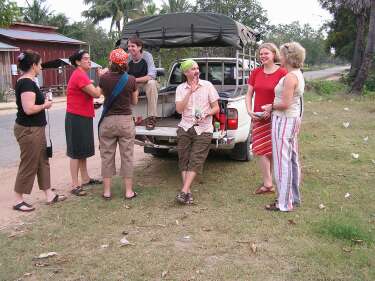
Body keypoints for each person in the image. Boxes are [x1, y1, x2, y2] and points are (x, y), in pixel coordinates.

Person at [13, 50, 66, 212]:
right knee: (29, 162)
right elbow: (28, 109)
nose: (41, 66)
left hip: (36, 128)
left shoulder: (30, 81)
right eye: (40, 63)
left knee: (42, 160)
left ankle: (48, 193)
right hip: (29, 130)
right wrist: (45, 105)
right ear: (33, 65)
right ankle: (17, 199)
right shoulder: (26, 83)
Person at [261, 42, 306, 212]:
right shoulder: (296, 74)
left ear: (287, 57)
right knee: (292, 159)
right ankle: (293, 198)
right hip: (291, 120)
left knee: (282, 162)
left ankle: (284, 203)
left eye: (281, 54)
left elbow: (285, 103)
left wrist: (270, 106)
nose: (280, 56)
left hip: (284, 120)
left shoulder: (290, 77)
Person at [175, 59, 220, 205]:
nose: (196, 71)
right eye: (192, 69)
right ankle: (187, 193)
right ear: (185, 72)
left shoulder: (207, 86)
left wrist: (207, 114)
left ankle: (184, 191)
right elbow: (179, 110)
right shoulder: (180, 88)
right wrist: (190, 92)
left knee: (196, 159)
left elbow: (216, 108)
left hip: (204, 128)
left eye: (196, 68)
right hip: (185, 126)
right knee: (183, 159)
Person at [245, 43, 287, 195]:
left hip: (276, 116)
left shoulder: (282, 73)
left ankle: (268, 183)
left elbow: (286, 97)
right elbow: (249, 94)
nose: (262, 56)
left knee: (271, 150)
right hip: (258, 117)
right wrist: (249, 110)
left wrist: (272, 107)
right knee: (260, 150)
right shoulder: (256, 72)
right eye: (261, 54)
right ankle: (268, 182)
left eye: (266, 53)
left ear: (274, 54)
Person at [98, 48, 139, 200]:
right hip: (125, 121)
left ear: (111, 62)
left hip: (108, 121)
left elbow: (100, 95)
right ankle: (128, 192)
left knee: (107, 156)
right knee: (127, 156)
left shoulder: (104, 78)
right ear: (125, 62)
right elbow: (134, 102)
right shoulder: (131, 79)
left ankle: (107, 192)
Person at [65, 49, 104, 196]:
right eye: (86, 58)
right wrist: (102, 79)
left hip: (82, 115)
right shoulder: (79, 75)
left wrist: (91, 104)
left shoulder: (82, 75)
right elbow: (96, 93)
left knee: (82, 150)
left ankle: (86, 178)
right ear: (77, 62)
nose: (89, 60)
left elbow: (85, 96)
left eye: (89, 58)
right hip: (76, 117)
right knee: (75, 152)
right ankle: (75, 184)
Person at [126, 36, 158, 130]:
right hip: (132, 85)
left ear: (139, 47)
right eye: (128, 46)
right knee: (122, 85)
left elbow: (151, 75)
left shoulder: (147, 56)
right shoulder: (127, 58)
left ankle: (152, 118)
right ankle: (127, 117)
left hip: (145, 83)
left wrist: (134, 80)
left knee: (152, 83)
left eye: (133, 46)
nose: (130, 48)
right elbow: (121, 73)